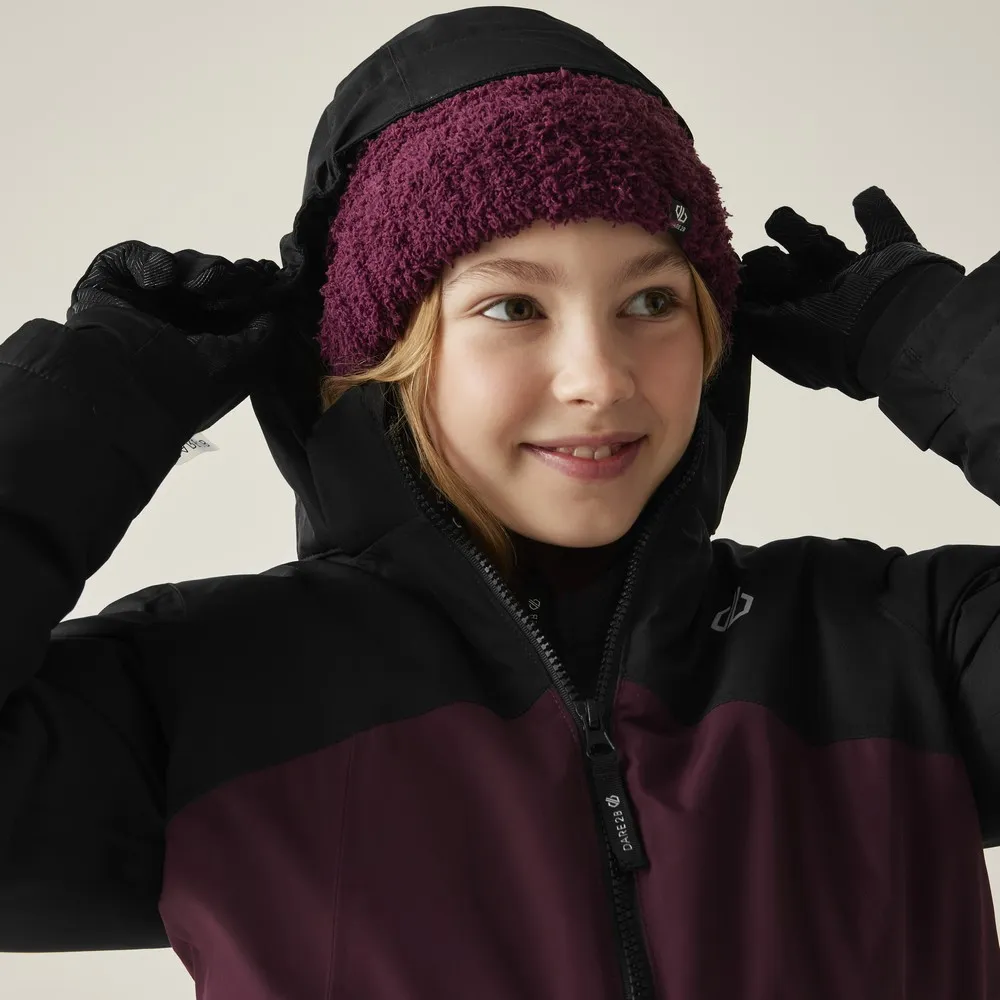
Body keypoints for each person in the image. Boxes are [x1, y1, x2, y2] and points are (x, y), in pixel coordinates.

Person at [2, 6, 999, 999]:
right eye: (513, 306)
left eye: (651, 300)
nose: (599, 378)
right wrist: (92, 399)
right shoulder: (203, 704)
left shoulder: (902, 648)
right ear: (390, 357)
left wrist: (935, 340)